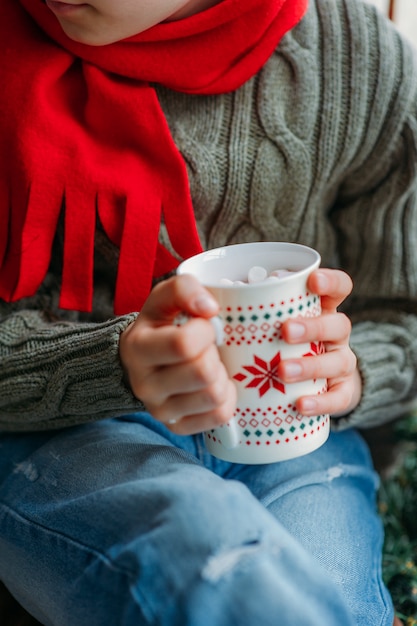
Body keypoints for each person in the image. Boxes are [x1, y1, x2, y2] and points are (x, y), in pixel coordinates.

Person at [0, 0, 415, 623]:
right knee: (207, 556)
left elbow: (404, 310)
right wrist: (115, 364)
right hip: (66, 434)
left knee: (325, 586)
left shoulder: (360, 61)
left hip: (296, 436)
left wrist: (352, 369)